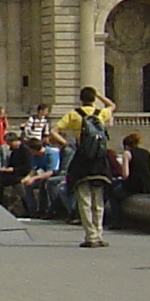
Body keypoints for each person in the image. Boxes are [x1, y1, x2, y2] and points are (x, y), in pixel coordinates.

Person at [55, 87, 114, 247]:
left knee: (84, 199)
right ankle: (100, 234)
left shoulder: (73, 115)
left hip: (82, 160)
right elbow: (112, 106)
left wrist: (67, 144)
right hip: (99, 161)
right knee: (98, 199)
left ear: (80, 99)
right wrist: (100, 95)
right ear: (93, 98)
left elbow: (54, 130)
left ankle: (90, 236)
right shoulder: (100, 113)